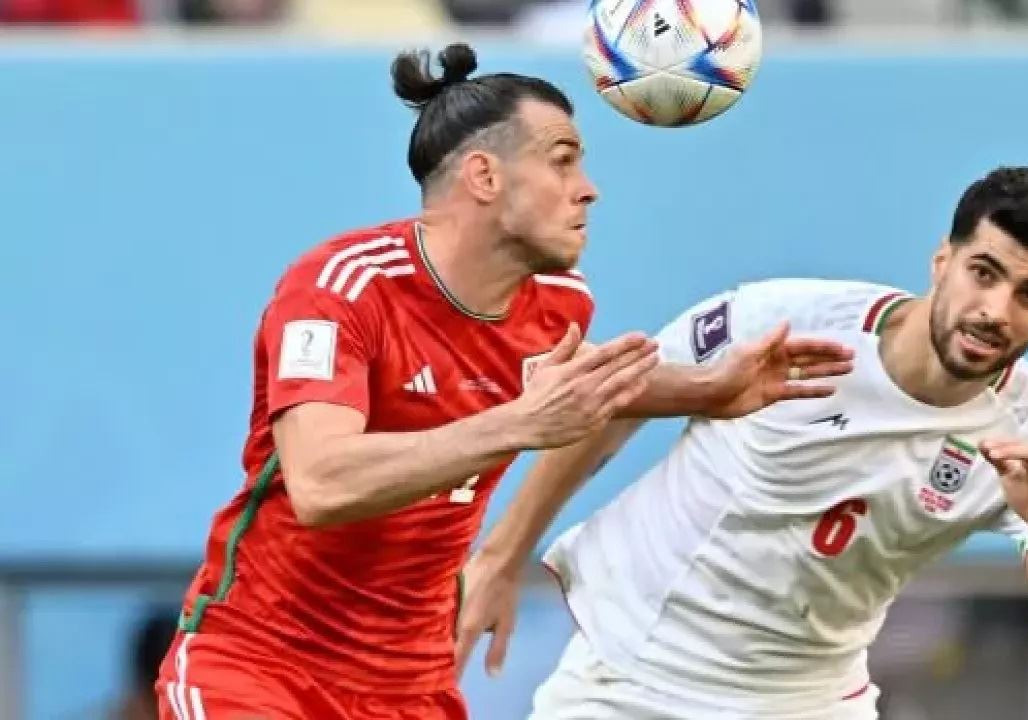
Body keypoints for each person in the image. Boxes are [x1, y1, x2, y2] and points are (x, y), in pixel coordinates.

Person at [153, 42, 853, 720]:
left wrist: (712, 389)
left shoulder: (560, 303)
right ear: (485, 177)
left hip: (412, 688)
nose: (589, 188)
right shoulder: (342, 288)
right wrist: (518, 423)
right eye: (563, 161)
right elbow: (321, 483)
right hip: (261, 668)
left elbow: (563, 388)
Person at [458, 166, 1028, 719]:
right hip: (636, 671)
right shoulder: (784, 319)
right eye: (984, 273)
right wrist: (500, 556)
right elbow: (614, 401)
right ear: (942, 261)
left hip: (807, 701)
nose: (996, 311)